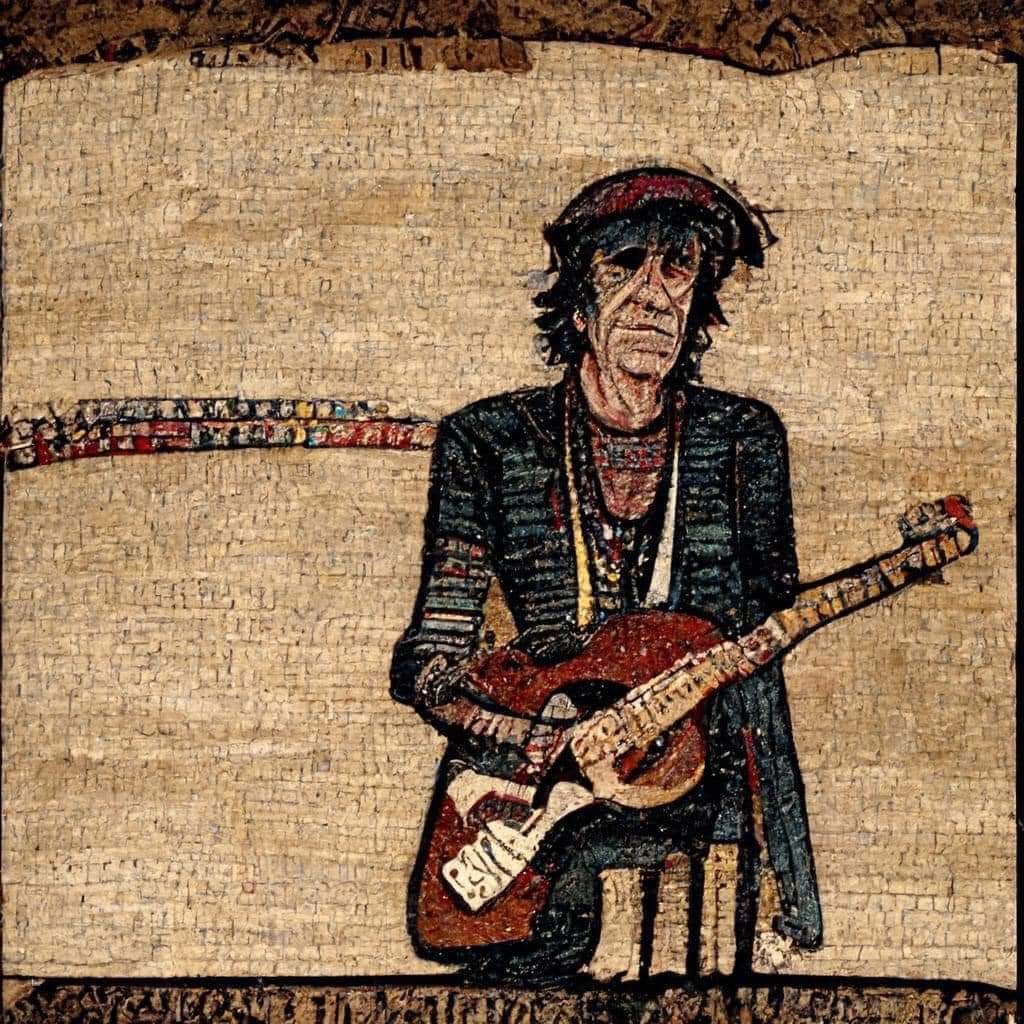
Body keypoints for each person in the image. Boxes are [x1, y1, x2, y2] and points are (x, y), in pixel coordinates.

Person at [390, 166, 822, 982]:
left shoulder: (743, 441)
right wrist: (531, 737)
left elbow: (759, 645)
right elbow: (431, 662)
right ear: (578, 302)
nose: (653, 295)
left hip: (693, 806)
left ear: (699, 299)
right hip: (537, 800)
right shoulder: (490, 443)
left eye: (678, 268)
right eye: (625, 265)